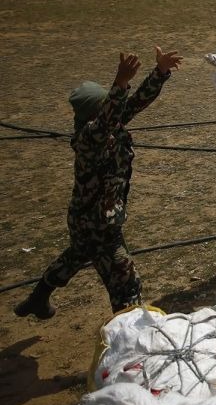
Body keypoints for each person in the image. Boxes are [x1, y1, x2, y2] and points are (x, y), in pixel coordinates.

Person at [14, 47, 182, 319]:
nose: (114, 110)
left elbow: (136, 102)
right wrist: (119, 83)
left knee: (75, 257)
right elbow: (109, 117)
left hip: (86, 219)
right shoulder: (90, 140)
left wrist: (159, 73)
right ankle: (129, 341)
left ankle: (37, 298)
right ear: (98, 113)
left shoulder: (108, 124)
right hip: (99, 225)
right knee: (126, 286)